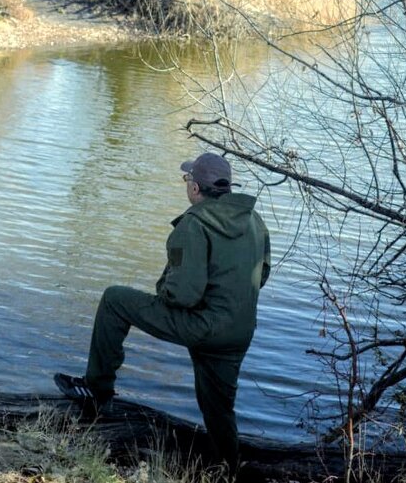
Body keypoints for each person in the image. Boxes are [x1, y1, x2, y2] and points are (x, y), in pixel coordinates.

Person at [54, 152, 271, 471]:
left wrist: (165, 292)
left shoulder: (194, 224)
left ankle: (97, 392)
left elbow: (183, 294)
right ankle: (227, 469)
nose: (186, 186)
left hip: (202, 325)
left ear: (196, 188)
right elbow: (262, 275)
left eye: (187, 180)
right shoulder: (254, 220)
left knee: (115, 300)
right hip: (239, 331)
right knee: (218, 409)